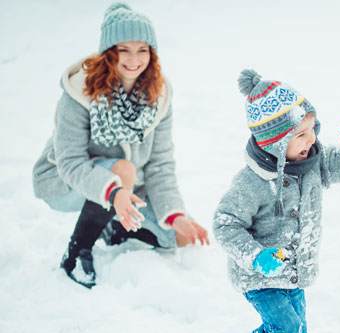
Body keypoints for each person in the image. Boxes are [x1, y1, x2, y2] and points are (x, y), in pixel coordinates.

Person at [214, 69, 340, 333]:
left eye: (311, 130)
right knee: (285, 332)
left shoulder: (312, 165)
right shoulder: (252, 183)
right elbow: (225, 223)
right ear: (274, 143)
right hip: (259, 276)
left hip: (294, 272)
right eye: (299, 136)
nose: (311, 140)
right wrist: (256, 256)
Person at [32, 2, 208, 289]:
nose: (133, 59)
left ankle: (111, 227)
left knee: (180, 235)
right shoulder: (79, 92)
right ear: (108, 53)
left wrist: (174, 214)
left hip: (124, 188)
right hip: (64, 183)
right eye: (123, 50)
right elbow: (70, 162)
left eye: (142, 50)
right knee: (123, 170)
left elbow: (160, 165)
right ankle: (77, 253)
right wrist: (114, 193)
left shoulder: (159, 96)